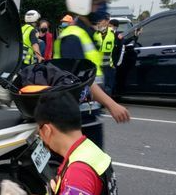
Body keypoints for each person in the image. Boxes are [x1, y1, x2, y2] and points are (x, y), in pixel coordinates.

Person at [53, 0, 130, 149]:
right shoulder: (72, 37)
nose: (102, 8)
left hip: (88, 115)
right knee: (85, 168)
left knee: (93, 167)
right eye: (97, 3)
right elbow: (82, 79)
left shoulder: (87, 33)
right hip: (74, 119)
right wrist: (111, 104)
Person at [93, 14, 116, 95]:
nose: (99, 22)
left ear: (107, 21)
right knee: (97, 87)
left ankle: (106, 104)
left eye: (101, 20)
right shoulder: (93, 32)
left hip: (108, 65)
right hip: (96, 66)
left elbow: (117, 48)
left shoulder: (113, 32)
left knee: (108, 87)